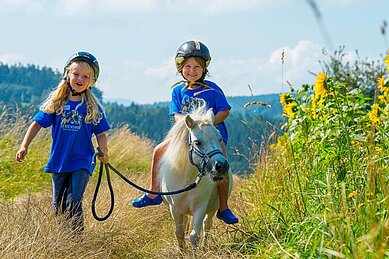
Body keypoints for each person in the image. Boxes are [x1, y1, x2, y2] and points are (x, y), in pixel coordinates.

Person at [132, 40, 238, 224]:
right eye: (187, 66)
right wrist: (189, 125)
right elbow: (176, 114)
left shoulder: (212, 89)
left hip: (211, 137)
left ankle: (223, 206)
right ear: (180, 68)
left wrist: (209, 122)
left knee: (222, 161)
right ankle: (153, 192)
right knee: (159, 150)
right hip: (185, 135)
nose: (192, 71)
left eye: (197, 67)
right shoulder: (178, 91)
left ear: (205, 68)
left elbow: (225, 110)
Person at [16, 51, 110, 231]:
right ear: (67, 74)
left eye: (85, 76)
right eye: (76, 74)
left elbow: (101, 133)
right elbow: (36, 124)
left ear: (91, 81)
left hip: (82, 161)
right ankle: (62, 237)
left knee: (74, 201)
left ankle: (76, 239)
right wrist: (24, 146)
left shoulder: (92, 107)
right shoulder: (57, 103)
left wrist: (104, 151)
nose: (79, 78)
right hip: (59, 160)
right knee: (58, 206)